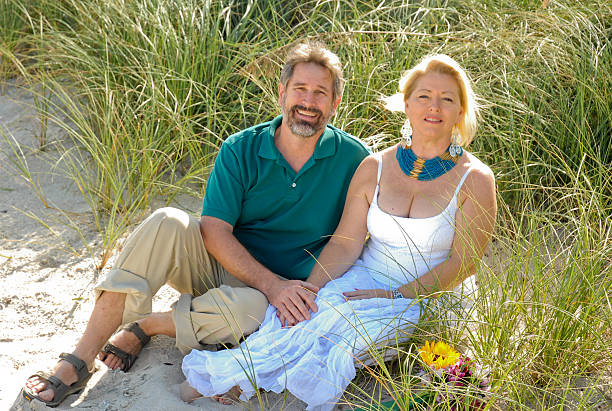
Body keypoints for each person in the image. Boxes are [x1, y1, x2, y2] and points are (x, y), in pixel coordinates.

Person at [21, 41, 370, 407]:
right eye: (300, 89)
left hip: (268, 299)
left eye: (320, 93)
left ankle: (149, 325)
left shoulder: (355, 159)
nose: (309, 101)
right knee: (166, 220)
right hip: (221, 266)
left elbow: (348, 239)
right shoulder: (241, 148)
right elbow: (214, 230)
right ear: (282, 92)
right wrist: (271, 284)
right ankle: (80, 357)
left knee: (248, 312)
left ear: (335, 103)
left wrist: (292, 291)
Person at [179, 54, 497, 410]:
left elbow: (464, 263)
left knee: (345, 336)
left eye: (447, 99)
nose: (433, 107)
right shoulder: (375, 165)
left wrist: (397, 295)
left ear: (460, 111)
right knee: (306, 317)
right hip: (367, 274)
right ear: (406, 103)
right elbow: (346, 244)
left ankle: (261, 382)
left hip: (432, 291)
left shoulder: (476, 179)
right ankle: (239, 374)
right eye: (424, 96)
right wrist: (311, 292)